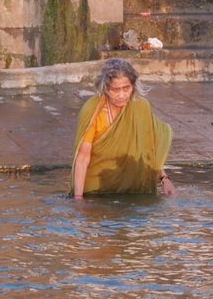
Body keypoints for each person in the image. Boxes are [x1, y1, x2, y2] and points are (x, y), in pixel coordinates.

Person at [72, 58, 174, 199]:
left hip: (133, 189)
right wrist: (79, 199)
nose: (121, 95)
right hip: (96, 189)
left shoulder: (140, 107)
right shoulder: (92, 111)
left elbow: (149, 151)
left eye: (126, 88)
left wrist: (164, 179)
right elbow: (83, 157)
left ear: (133, 86)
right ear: (105, 88)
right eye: (115, 89)